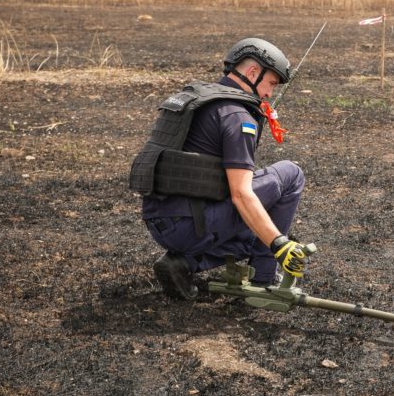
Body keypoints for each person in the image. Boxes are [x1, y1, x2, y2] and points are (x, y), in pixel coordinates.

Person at [128, 38, 309, 300]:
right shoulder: (238, 116)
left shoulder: (198, 99)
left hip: (160, 223)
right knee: (290, 175)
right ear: (252, 73)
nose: (270, 93)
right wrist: (279, 245)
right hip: (192, 226)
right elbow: (241, 195)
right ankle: (264, 280)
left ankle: (183, 265)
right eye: (271, 83)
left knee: (263, 229)